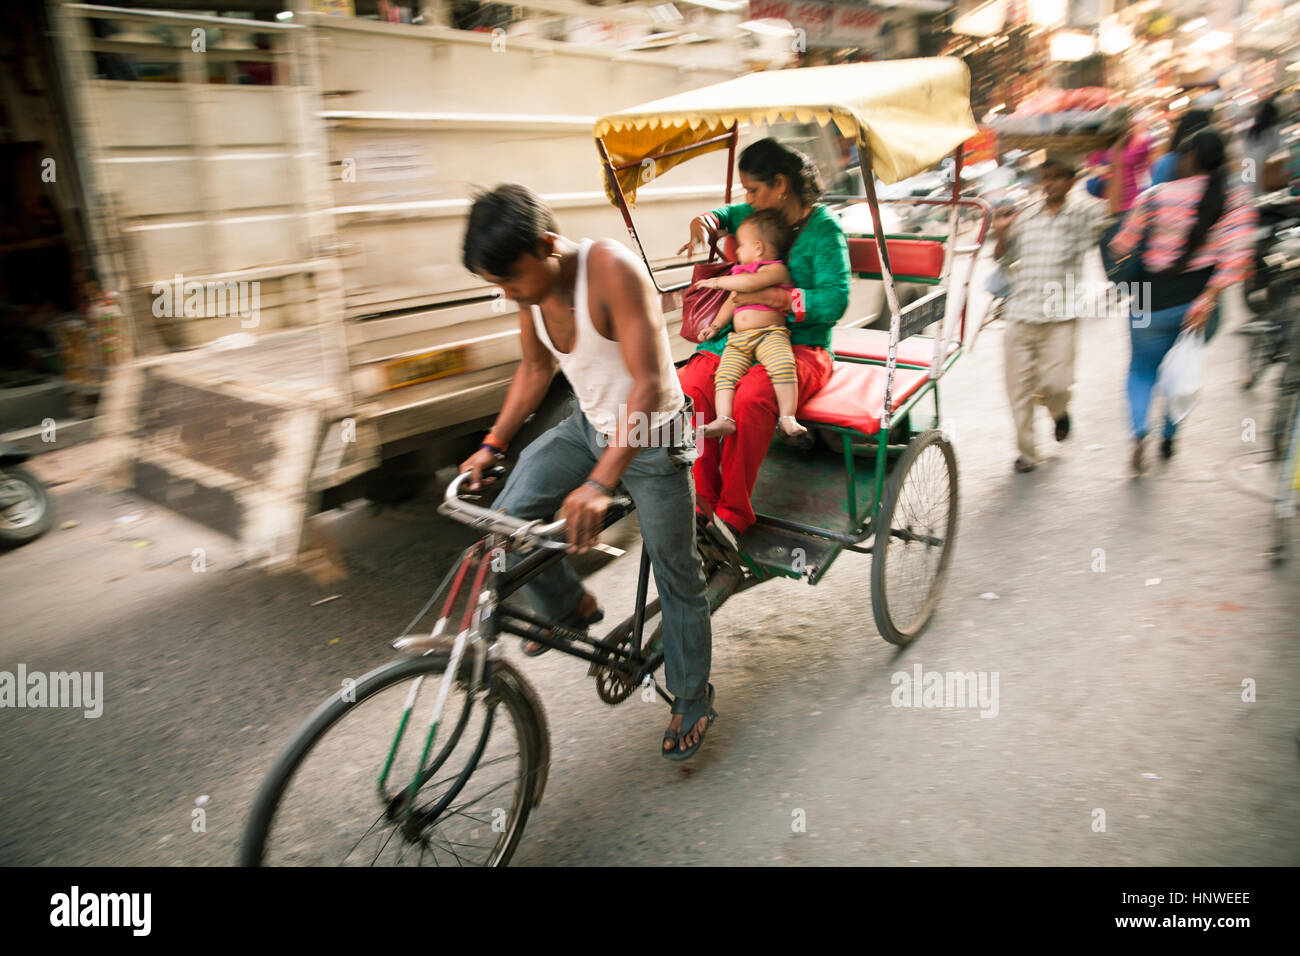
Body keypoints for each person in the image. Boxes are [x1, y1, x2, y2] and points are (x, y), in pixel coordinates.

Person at [458, 184, 715, 760]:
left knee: (677, 571)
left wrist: (600, 483)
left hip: (652, 433)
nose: (508, 294)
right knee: (506, 518)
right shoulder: (531, 290)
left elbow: (648, 382)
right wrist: (492, 443)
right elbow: (533, 365)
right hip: (591, 424)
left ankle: (693, 698)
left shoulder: (609, 270)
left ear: (548, 245)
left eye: (512, 281)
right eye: (497, 285)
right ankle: (570, 607)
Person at [676, 138, 850, 549]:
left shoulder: (826, 231)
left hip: (801, 347)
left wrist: (783, 299)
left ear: (781, 185)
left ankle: (734, 512)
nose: (747, 200)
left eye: (753, 189)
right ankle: (704, 503)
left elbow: (836, 299)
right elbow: (722, 215)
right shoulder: (754, 213)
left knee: (751, 396)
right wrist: (704, 223)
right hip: (737, 340)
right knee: (690, 388)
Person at [1108, 129, 1256, 475]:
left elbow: (1121, 245)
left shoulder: (1154, 197)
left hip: (1147, 299)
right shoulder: (1234, 201)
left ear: (1188, 157)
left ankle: (1138, 433)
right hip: (1195, 305)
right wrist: (1208, 298)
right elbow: (1237, 259)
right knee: (1182, 373)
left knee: (1141, 370)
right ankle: (1170, 435)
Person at [993, 154, 1109, 473]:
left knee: (1055, 384)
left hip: (1060, 315)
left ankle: (1059, 412)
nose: (1050, 183)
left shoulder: (1084, 213)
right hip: (1020, 313)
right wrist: (1001, 231)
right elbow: (1001, 258)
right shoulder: (1025, 217)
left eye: (1058, 176)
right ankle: (1027, 453)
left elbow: (1113, 213)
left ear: (1071, 180)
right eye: (1046, 176)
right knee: (1018, 390)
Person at [694, 210, 808, 444]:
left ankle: (787, 416)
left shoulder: (775, 270)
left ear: (757, 248)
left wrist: (716, 282)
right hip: (739, 340)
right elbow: (731, 301)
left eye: (741, 246)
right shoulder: (739, 274)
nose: (737, 251)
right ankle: (725, 418)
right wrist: (715, 326)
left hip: (770, 335)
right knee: (724, 375)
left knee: (783, 366)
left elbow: (749, 283)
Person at [1243, 95, 1288, 196]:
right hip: (1268, 182)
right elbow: (1282, 151)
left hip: (1251, 182)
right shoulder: (1273, 131)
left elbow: (1248, 160)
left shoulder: (1250, 133)